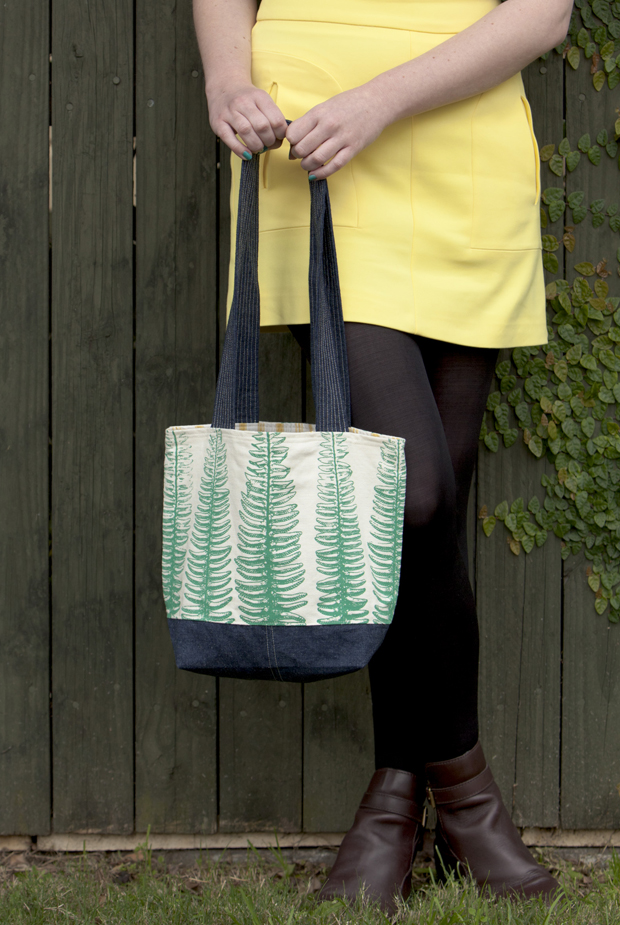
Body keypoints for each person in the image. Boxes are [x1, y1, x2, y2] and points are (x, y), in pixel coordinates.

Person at [194, 0, 574, 912]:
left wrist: (382, 101)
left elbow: (544, 13)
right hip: (313, 142)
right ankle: (468, 796)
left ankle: (395, 807)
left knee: (434, 497)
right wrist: (227, 79)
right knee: (407, 497)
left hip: (462, 141)